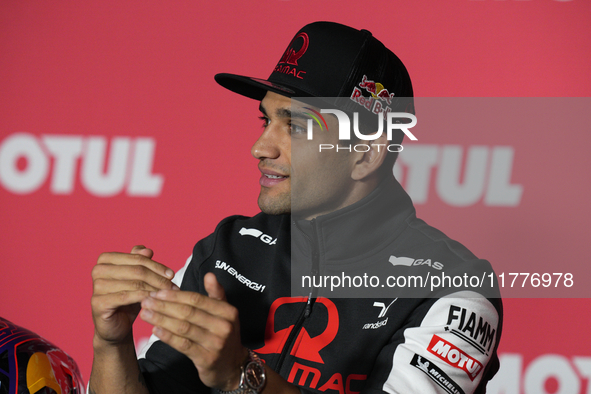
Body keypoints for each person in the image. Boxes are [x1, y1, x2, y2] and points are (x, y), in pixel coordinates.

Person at [89, 21, 502, 394]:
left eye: (296, 126)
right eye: (265, 120)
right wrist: (111, 344)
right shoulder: (228, 249)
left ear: (366, 154)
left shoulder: (454, 289)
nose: (260, 147)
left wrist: (241, 376)